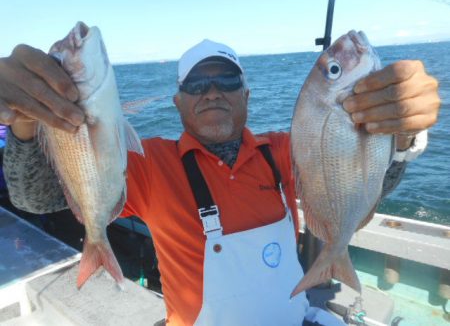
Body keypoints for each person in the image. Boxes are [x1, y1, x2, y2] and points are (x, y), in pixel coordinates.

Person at [0, 39, 440, 326]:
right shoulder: (148, 162)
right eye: (197, 84)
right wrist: (25, 128)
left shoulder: (288, 150)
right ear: (178, 103)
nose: (212, 91)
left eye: (226, 80)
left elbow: (364, 186)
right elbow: (35, 197)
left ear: (246, 96)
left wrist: (398, 136)